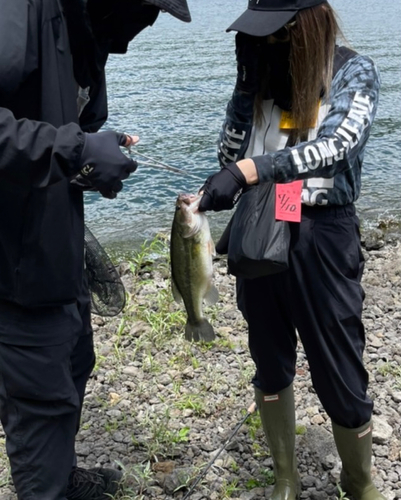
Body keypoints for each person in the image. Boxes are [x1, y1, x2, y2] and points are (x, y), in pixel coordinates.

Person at [0, 1, 191, 499]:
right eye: (145, 7)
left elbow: (44, 128)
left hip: (54, 244)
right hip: (12, 269)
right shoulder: (19, 13)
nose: (145, 21)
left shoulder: (80, 31)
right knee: (40, 399)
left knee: (75, 362)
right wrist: (74, 150)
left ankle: (64, 477)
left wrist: (89, 155)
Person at [199, 0, 382, 499]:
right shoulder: (262, 72)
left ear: (308, 24)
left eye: (279, 33)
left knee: (339, 364)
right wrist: (242, 89)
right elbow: (228, 155)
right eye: (262, 34)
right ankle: (285, 476)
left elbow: (338, 145)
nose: (270, 42)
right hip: (266, 219)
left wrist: (249, 171)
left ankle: (360, 479)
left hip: (322, 228)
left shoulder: (353, 71)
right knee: (269, 354)